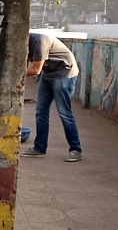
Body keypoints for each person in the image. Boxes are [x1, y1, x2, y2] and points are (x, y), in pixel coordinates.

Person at [21, 32, 82, 162]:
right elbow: (24, 66)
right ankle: (39, 148)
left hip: (64, 73)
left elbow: (36, 70)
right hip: (48, 74)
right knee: (41, 111)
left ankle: (75, 150)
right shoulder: (24, 45)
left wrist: (15, 76)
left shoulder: (40, 42)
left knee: (64, 112)